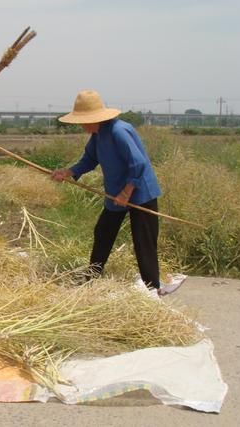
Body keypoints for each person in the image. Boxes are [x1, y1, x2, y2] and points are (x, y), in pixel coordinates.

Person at [51, 90, 175, 296]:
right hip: (116, 194)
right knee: (103, 232)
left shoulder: (119, 131)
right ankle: (92, 278)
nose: (82, 126)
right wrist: (69, 172)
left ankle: (152, 287)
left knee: (143, 239)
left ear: (94, 118)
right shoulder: (97, 136)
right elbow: (89, 160)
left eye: (83, 121)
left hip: (140, 192)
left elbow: (139, 163)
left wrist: (126, 193)